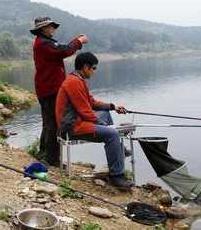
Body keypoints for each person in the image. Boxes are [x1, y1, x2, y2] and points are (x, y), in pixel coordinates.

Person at [55, 52, 133, 188]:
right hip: (72, 126)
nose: (94, 71)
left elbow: (91, 102)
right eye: (94, 68)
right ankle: (117, 177)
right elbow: (85, 112)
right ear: (85, 67)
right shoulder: (74, 82)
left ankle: (118, 149)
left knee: (105, 113)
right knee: (112, 134)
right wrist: (106, 127)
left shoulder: (78, 79)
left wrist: (112, 107)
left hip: (78, 120)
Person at [31, 17, 89, 166]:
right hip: (50, 89)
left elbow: (62, 48)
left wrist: (75, 42)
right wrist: (79, 41)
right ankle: (51, 159)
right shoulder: (44, 44)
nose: (53, 29)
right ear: (43, 28)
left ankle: (44, 153)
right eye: (51, 26)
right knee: (54, 123)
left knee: (48, 122)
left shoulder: (44, 42)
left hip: (46, 88)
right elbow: (65, 50)